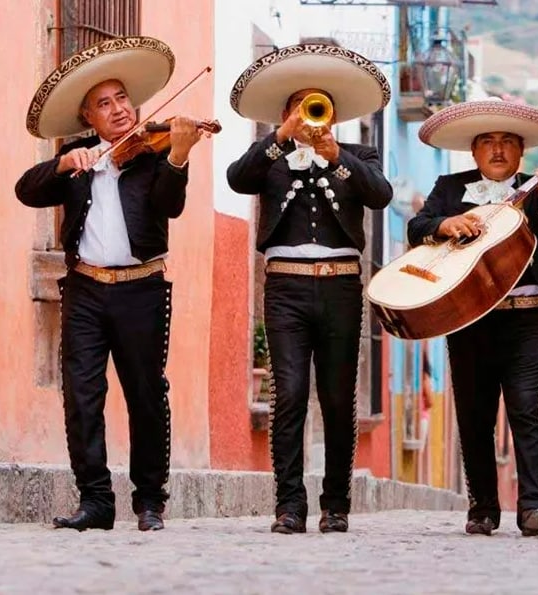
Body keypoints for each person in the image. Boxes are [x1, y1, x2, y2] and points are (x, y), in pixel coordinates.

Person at [15, 36, 203, 531]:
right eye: (105, 104)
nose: (118, 110)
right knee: (81, 396)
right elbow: (26, 189)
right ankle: (96, 502)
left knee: (145, 394)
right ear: (88, 119)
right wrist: (62, 162)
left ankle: (149, 502)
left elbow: (170, 205)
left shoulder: (153, 155)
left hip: (141, 288)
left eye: (122, 99)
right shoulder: (77, 160)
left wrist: (179, 155)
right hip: (83, 291)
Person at [226, 42, 393, 534]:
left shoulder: (359, 154)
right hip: (286, 289)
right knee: (290, 395)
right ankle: (289, 504)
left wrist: (336, 154)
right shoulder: (271, 157)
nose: (310, 116)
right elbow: (238, 179)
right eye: (300, 107)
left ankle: (336, 503)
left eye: (317, 106)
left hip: (340, 287)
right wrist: (281, 136)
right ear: (285, 114)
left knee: (340, 399)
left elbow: (380, 195)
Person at [406, 98, 538, 537]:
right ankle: (483, 508)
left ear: (522, 151)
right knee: (474, 415)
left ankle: (533, 505)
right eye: (488, 142)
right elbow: (418, 227)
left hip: (525, 318)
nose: (498, 150)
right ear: (474, 151)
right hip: (467, 321)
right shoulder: (450, 187)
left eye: (507, 142)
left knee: (527, 411)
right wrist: (445, 225)